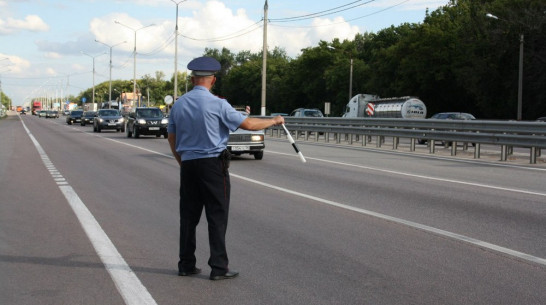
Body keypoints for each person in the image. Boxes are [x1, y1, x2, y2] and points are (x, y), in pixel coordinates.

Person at [167, 56, 284, 281]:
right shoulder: (218, 104)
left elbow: (172, 138)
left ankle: (186, 264)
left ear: (193, 79)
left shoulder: (179, 104)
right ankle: (219, 268)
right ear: (213, 80)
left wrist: (182, 161)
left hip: (189, 165)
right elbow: (249, 124)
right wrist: (274, 121)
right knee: (216, 216)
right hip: (212, 166)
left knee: (188, 217)